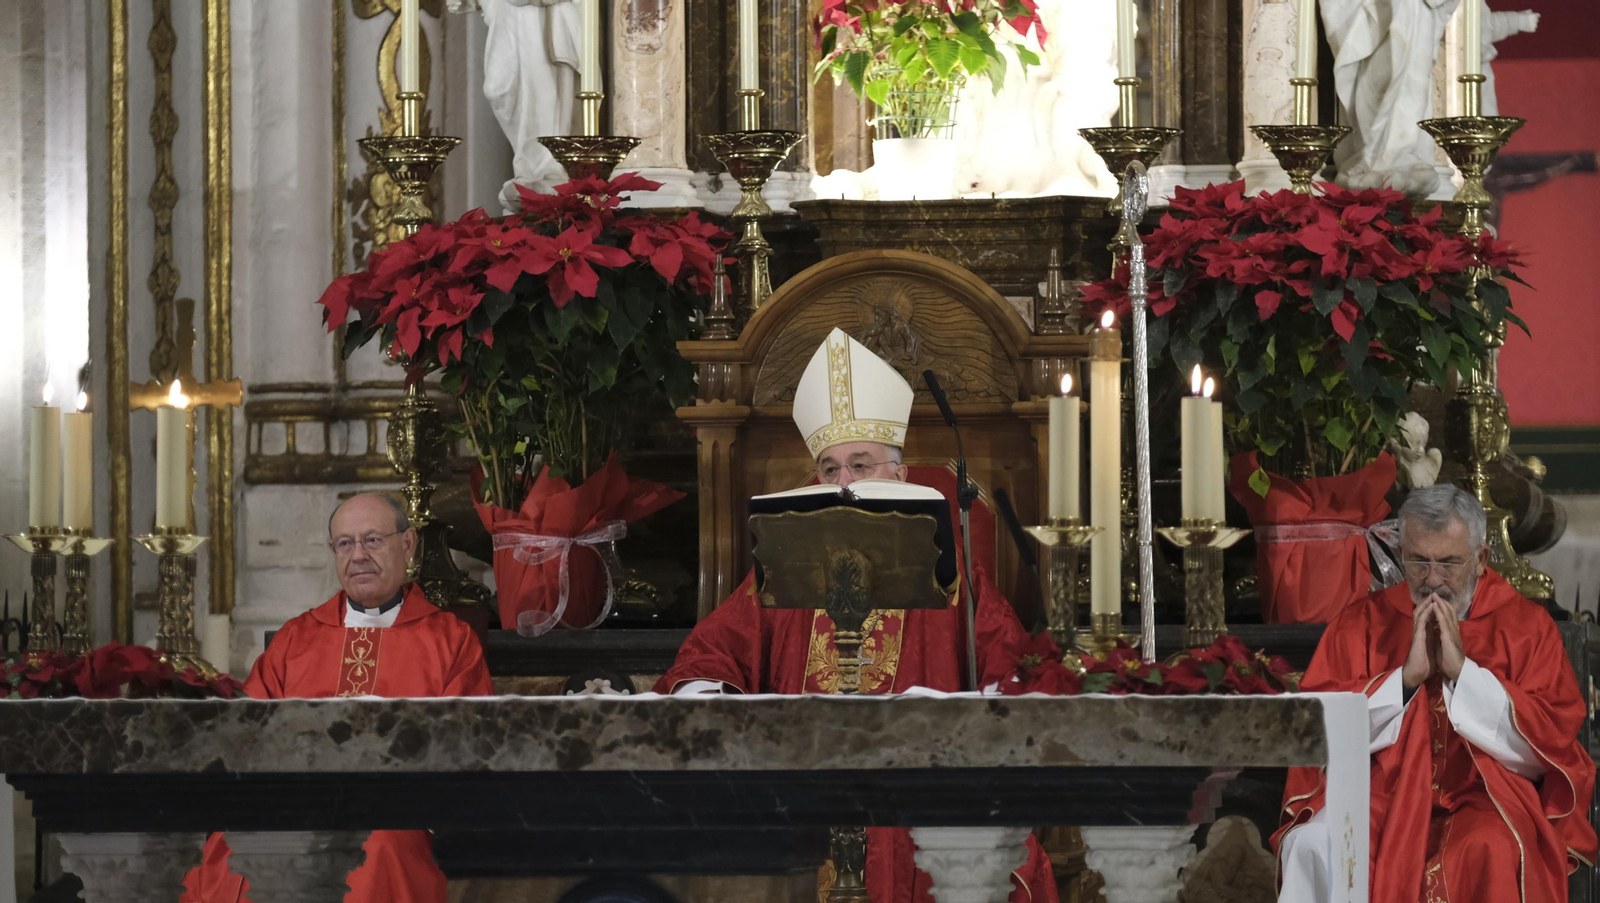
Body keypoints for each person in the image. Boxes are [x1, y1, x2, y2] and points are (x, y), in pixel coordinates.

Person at [657, 328, 1058, 903]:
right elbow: (713, 651)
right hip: (803, 786)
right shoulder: (786, 564)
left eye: (860, 464)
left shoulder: (953, 571)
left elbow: (1010, 668)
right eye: (828, 469)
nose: (843, 483)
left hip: (922, 789)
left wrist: (964, 720)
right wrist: (713, 702)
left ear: (898, 474)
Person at [1273, 484, 1596, 903]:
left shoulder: (1525, 627)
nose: (1432, 580)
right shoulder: (1363, 622)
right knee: (1315, 844)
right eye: (1418, 562)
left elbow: (1549, 742)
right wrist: (1405, 680)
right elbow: (1313, 727)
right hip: (1378, 793)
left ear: (1480, 560)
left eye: (1448, 563)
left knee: (1493, 850)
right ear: (1401, 553)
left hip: (1484, 797)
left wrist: (1463, 672)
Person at [182, 494, 494, 903]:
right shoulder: (297, 638)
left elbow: (467, 743)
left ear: (407, 544)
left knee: (377, 849)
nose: (358, 555)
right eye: (344, 544)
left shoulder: (449, 641)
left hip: (390, 811)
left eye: (372, 540)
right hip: (291, 802)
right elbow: (247, 729)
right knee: (245, 846)